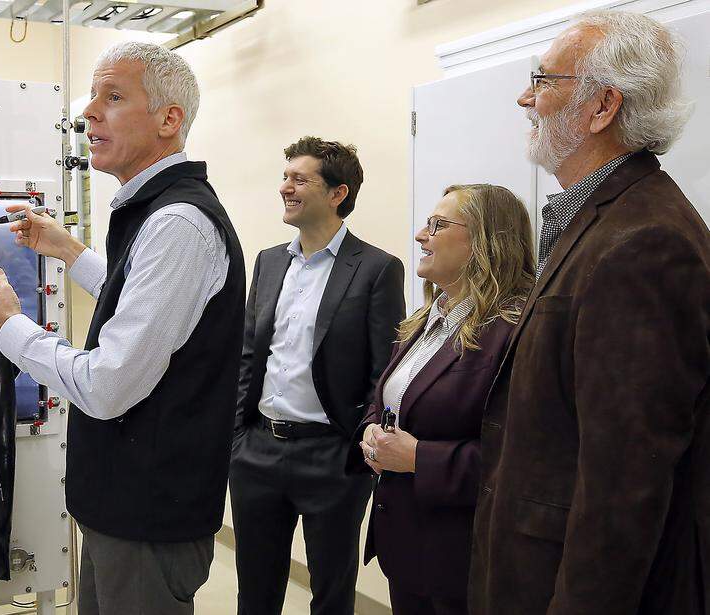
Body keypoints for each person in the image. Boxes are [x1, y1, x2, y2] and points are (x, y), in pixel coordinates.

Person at [0, 41, 245, 615]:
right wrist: (67, 249)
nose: (88, 113)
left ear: (169, 119)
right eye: (92, 96)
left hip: (148, 520)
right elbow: (145, 302)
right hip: (122, 508)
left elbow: (106, 385)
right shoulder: (155, 212)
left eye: (113, 97)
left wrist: (10, 327)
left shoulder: (178, 223)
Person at [468, 10, 710, 614]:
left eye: (544, 80)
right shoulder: (605, 220)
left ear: (602, 106)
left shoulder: (645, 241)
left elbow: (624, 484)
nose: (525, 98)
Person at [230, 136, 404, 615]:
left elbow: (384, 371)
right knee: (255, 592)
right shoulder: (269, 261)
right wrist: (237, 438)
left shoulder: (376, 269)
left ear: (337, 193)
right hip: (257, 452)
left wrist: (359, 447)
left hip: (332, 457)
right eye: (285, 177)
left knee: (331, 594)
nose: (285, 187)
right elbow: (249, 355)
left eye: (299, 179)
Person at [349, 184, 534, 615]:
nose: (420, 235)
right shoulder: (426, 320)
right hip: (407, 548)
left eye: (437, 225)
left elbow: (521, 460)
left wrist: (419, 458)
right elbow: (392, 398)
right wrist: (372, 429)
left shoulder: (514, 331)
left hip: (462, 559)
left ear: (485, 240)